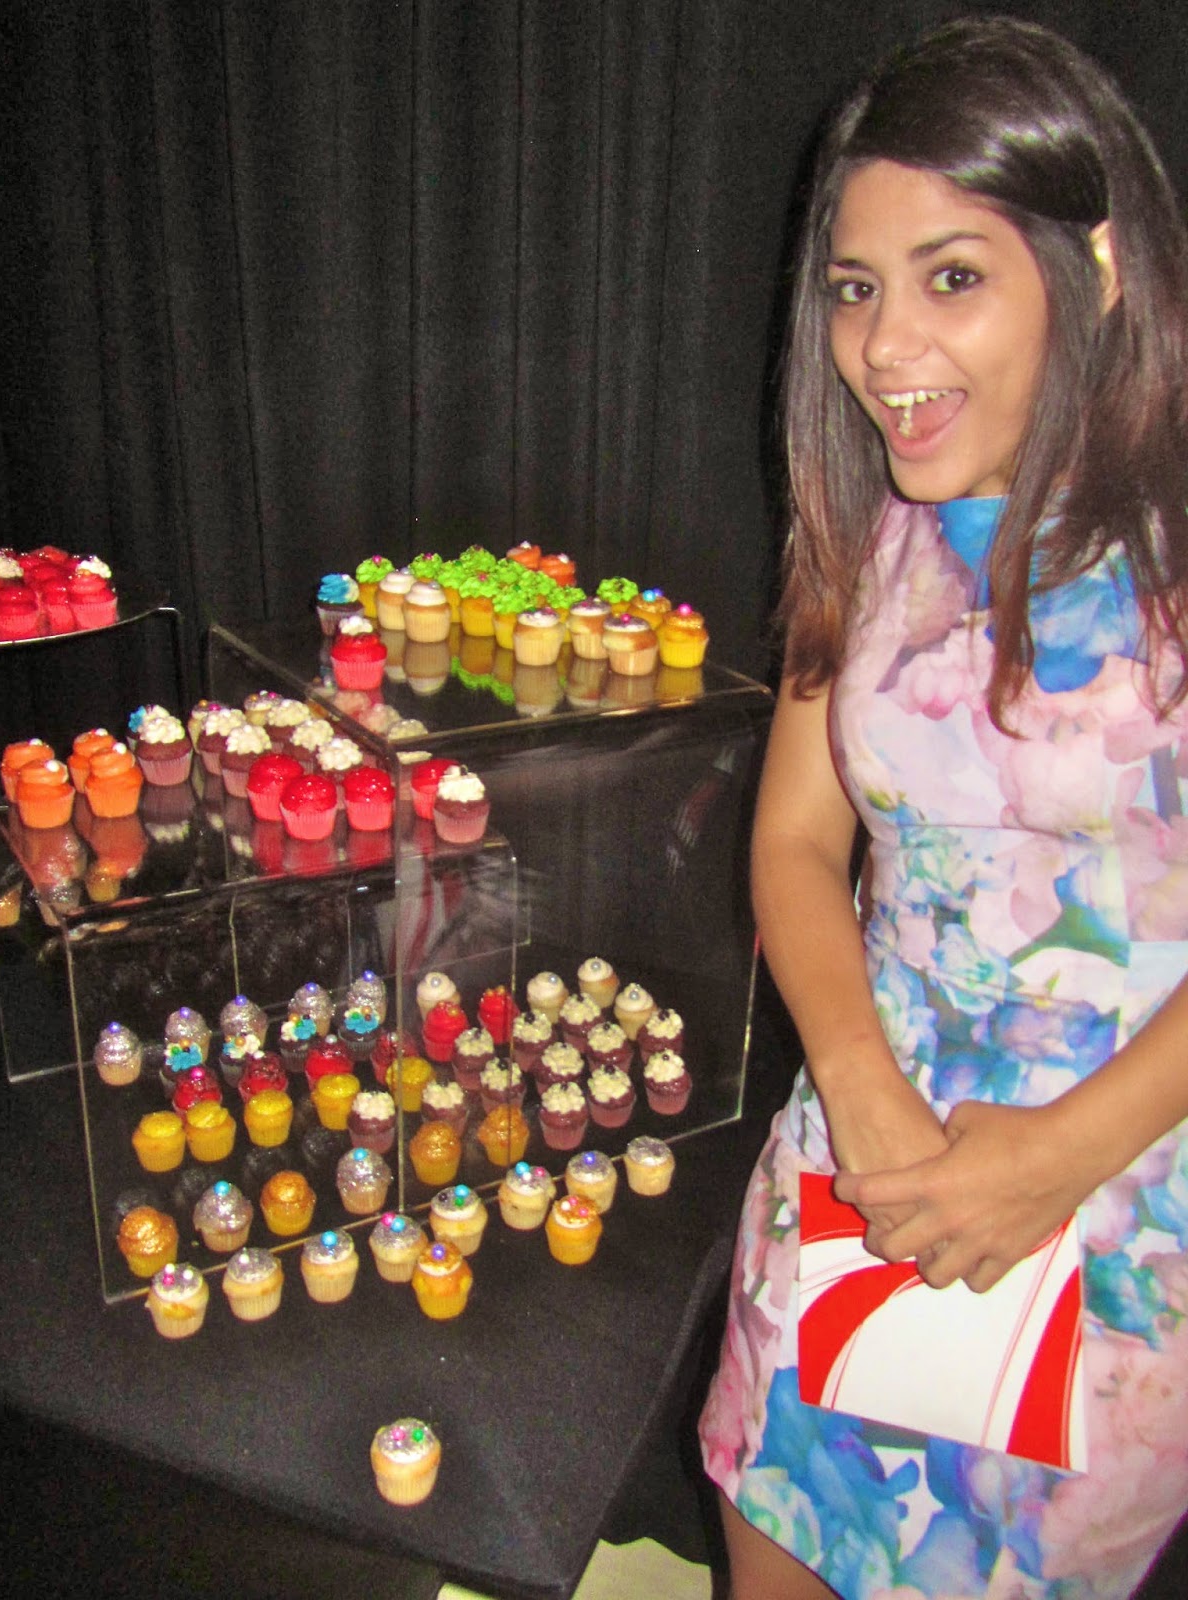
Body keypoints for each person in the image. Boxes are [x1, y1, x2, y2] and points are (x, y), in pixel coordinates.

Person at [699, 16, 1188, 1600]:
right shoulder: (865, 527)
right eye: (856, 289)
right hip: (857, 1167)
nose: (886, 348)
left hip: (1116, 1218)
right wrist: (855, 1087)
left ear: (1092, 268)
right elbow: (796, 840)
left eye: (952, 276)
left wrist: (1058, 1156)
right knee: (779, 1550)